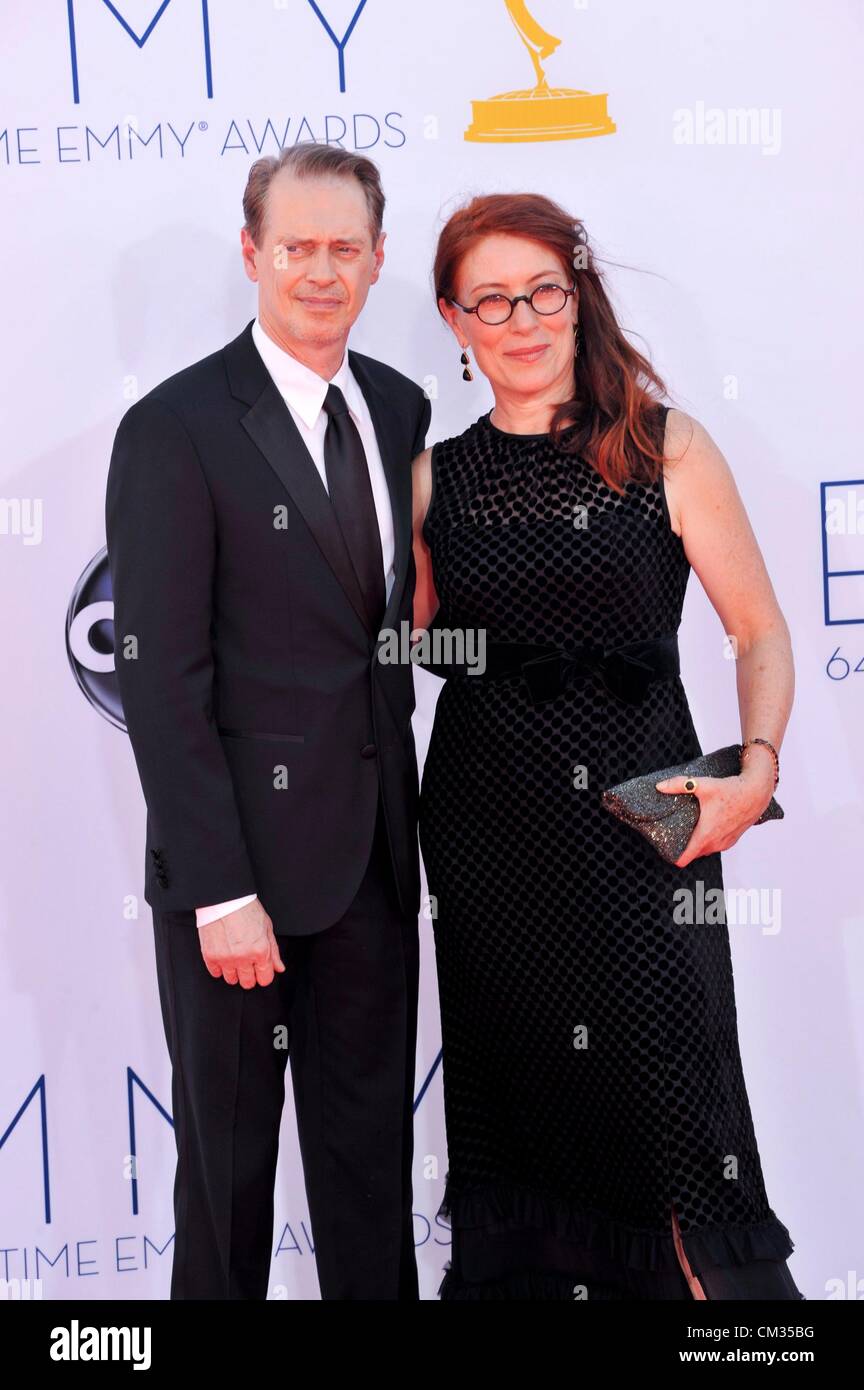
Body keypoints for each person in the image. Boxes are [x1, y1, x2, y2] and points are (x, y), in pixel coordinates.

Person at [411, 192, 804, 1300]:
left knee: (680, 1115)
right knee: (525, 1109)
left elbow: (759, 630)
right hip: (492, 836)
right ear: (456, 320)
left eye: (543, 291)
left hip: (646, 821)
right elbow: (425, 641)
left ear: (577, 298)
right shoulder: (434, 478)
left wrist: (757, 770)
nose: (522, 318)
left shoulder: (663, 443)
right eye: (492, 299)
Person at [105, 143, 431, 1300]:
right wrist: (219, 888)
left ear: (379, 258)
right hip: (236, 888)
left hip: (377, 879)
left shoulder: (399, 407)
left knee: (370, 1183)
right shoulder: (174, 427)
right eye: (297, 246)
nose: (322, 271)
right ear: (253, 253)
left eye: (346, 248)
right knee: (227, 1190)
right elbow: (161, 676)